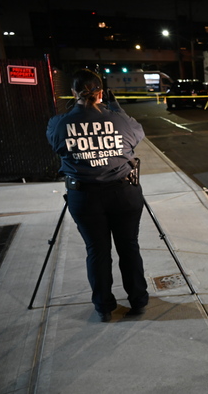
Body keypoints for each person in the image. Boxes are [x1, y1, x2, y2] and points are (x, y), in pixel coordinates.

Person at [46, 69, 148, 322]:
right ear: (101, 93)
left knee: (97, 251)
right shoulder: (119, 119)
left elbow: (57, 144)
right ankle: (137, 299)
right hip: (123, 193)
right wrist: (117, 109)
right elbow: (138, 135)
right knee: (129, 247)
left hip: (84, 196)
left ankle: (103, 306)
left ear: (73, 93)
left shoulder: (59, 123)